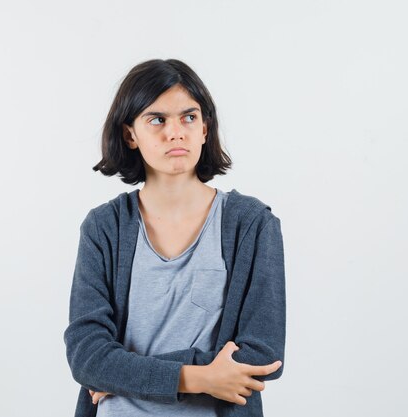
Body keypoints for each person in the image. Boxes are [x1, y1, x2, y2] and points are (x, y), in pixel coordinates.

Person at [63, 58, 286, 417]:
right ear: (130, 135)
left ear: (204, 129)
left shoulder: (251, 224)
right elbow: (86, 356)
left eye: (189, 117)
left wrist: (121, 370)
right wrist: (197, 377)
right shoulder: (104, 227)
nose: (175, 132)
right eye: (157, 119)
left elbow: (263, 354)